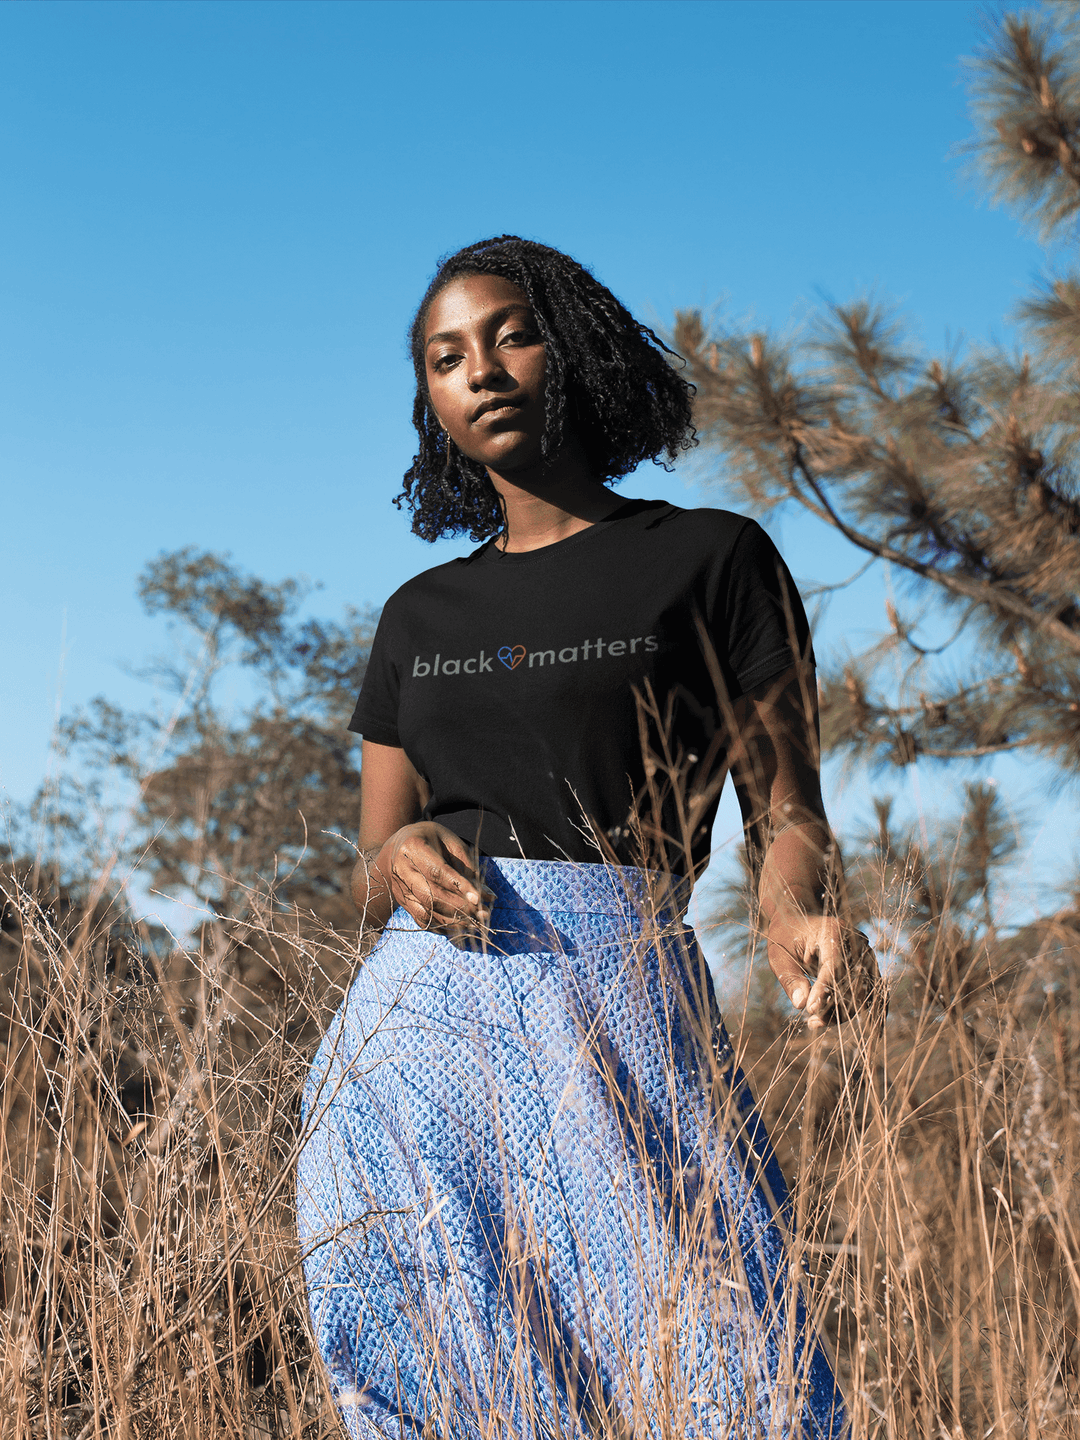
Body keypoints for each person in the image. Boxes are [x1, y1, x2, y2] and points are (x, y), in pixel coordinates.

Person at [296, 235, 878, 1440]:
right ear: (433, 404)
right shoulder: (418, 616)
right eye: (447, 358)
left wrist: (795, 909)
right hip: (415, 1040)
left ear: (576, 345)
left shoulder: (711, 559)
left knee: (726, 1346)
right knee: (434, 1371)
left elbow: (789, 807)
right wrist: (396, 859)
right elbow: (371, 862)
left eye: (512, 333)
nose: (484, 371)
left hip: (616, 995)